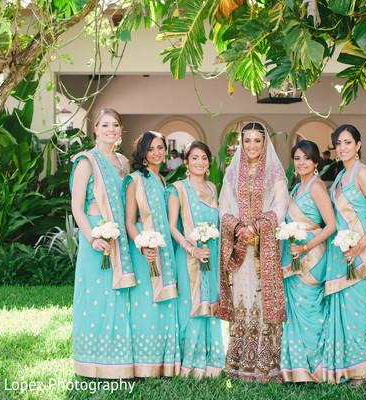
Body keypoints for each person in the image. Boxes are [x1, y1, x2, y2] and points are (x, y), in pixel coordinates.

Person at [217, 122, 289, 382]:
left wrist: (256, 228)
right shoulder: (231, 173)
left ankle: (265, 366)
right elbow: (223, 207)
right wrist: (238, 227)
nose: (252, 146)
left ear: (265, 143)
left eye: (257, 140)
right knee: (243, 300)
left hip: (264, 248)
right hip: (241, 249)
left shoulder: (275, 173)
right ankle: (238, 365)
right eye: (247, 140)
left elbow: (280, 207)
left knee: (261, 300)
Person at [70, 108, 136, 378]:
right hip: (96, 238)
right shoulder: (86, 161)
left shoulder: (123, 163)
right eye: (105, 125)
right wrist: (92, 237)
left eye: (116, 125)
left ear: (121, 130)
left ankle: (117, 361)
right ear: (95, 129)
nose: (111, 129)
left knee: (119, 297)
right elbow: (76, 206)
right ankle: (90, 363)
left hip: (119, 238)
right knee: (95, 298)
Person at [322, 124, 366, 385]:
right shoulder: (340, 176)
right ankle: (345, 367)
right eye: (338, 143)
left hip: (360, 251)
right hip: (340, 252)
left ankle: (361, 371)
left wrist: (361, 244)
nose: (342, 147)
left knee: (360, 310)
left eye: (348, 142)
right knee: (343, 310)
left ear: (358, 145)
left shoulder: (362, 173)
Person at [124, 131, 181, 377]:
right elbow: (129, 222)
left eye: (160, 148)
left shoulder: (161, 180)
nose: (157, 152)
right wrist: (142, 244)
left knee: (164, 306)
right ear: (142, 153)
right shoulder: (134, 180)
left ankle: (163, 364)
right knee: (145, 305)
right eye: (151, 149)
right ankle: (144, 365)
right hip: (144, 253)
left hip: (164, 250)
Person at [167, 141, 225, 378]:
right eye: (195, 158)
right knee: (190, 305)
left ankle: (211, 364)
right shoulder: (177, 189)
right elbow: (172, 227)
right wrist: (192, 249)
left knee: (210, 303)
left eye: (204, 158)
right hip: (189, 256)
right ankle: (188, 363)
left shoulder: (213, 188)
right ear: (186, 162)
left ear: (209, 162)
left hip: (210, 256)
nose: (200, 162)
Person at [280, 140, 336, 383]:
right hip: (295, 255)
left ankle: (318, 369)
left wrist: (305, 246)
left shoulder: (315, 187)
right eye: (297, 158)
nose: (301, 163)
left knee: (311, 312)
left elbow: (331, 225)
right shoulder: (296, 188)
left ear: (316, 163)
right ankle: (298, 370)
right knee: (296, 313)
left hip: (312, 256)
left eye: (306, 158)